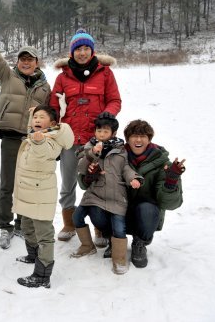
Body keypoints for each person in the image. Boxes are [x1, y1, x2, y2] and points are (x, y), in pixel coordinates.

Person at [0, 9, 52, 249]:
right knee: (8, 183)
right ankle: (5, 227)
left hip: (33, 141)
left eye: (30, 59)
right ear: (18, 62)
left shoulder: (45, 87)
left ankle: (22, 223)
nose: (26, 62)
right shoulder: (8, 76)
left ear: (37, 62)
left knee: (27, 183)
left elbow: (51, 114)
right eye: (22, 58)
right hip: (10, 138)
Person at [50, 29, 122, 245]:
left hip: (97, 140)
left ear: (92, 51)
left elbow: (115, 100)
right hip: (69, 139)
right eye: (78, 49)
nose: (82, 53)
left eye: (86, 48)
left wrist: (107, 116)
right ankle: (70, 223)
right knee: (68, 182)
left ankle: (100, 227)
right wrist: (55, 129)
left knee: (98, 181)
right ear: (72, 52)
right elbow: (54, 107)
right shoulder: (62, 77)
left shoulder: (106, 74)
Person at [71, 115, 142, 275]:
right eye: (99, 130)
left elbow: (126, 168)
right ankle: (87, 246)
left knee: (118, 227)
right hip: (94, 192)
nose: (101, 134)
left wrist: (134, 178)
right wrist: (92, 154)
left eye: (105, 131)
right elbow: (81, 169)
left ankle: (119, 258)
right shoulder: (88, 147)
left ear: (113, 133)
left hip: (116, 194)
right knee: (76, 217)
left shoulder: (121, 150)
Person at [13, 105, 74, 288]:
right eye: (35, 117)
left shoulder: (52, 140)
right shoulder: (37, 134)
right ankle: (33, 255)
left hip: (41, 194)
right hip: (29, 192)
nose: (37, 120)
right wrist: (32, 114)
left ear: (53, 123)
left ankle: (42, 274)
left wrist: (38, 142)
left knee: (43, 234)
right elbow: (34, 133)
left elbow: (43, 152)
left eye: (42, 117)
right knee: (26, 226)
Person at [123, 119, 185, 268]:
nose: (138, 139)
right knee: (96, 205)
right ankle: (113, 238)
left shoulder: (163, 164)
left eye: (143, 136)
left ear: (149, 139)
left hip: (147, 212)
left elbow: (170, 204)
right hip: (121, 208)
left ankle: (140, 240)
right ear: (128, 139)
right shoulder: (117, 157)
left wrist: (171, 181)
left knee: (146, 209)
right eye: (134, 136)